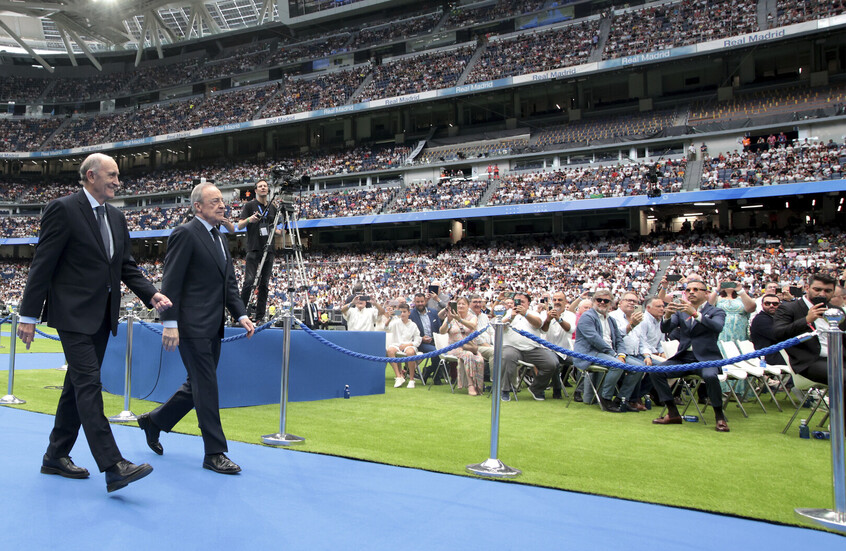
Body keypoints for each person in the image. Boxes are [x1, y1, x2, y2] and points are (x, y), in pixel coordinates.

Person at [17, 153, 171, 492]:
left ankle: (55, 455)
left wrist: (151, 295)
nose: (118, 181)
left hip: (102, 317)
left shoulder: (116, 217)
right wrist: (28, 315)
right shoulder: (63, 209)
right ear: (91, 176)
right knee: (89, 386)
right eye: (113, 175)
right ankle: (114, 465)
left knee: (75, 387)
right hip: (71, 315)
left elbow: (125, 265)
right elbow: (42, 264)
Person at [137, 183, 255, 475]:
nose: (222, 205)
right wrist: (170, 323)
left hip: (213, 326)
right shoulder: (184, 233)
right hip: (190, 327)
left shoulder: (219, 238)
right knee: (206, 386)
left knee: (197, 385)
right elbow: (171, 283)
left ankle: (154, 422)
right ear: (197, 206)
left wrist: (240, 315)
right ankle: (214, 452)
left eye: (222, 201)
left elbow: (228, 284)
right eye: (214, 201)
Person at [650, 279, 730, 432]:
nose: (691, 292)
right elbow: (666, 328)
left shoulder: (716, 311)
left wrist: (694, 314)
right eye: (688, 290)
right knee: (656, 371)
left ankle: (719, 416)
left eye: (695, 289)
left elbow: (717, 327)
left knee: (711, 377)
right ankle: (672, 412)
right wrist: (667, 315)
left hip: (707, 359)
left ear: (706, 294)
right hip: (683, 358)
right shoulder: (681, 312)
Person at [573, 290, 644, 412]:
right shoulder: (587, 317)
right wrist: (615, 355)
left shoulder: (611, 320)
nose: (602, 303)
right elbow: (595, 340)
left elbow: (619, 340)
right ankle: (606, 398)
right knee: (617, 365)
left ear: (611, 303)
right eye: (599, 300)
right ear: (593, 301)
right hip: (591, 354)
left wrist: (621, 354)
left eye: (606, 301)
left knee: (639, 366)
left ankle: (622, 399)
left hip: (610, 354)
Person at [773, 273, 846, 387]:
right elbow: (779, 333)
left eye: (828, 291)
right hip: (809, 362)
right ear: (807, 288)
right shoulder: (789, 308)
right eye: (817, 289)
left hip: (839, 359)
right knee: (842, 376)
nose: (822, 294)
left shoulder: (836, 310)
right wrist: (806, 320)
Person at [500, 292, 559, 401]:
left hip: (532, 349)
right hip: (512, 347)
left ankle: (536, 388)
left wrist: (525, 314)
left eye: (522, 301)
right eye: (516, 301)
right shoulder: (507, 312)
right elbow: (499, 328)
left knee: (551, 364)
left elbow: (538, 324)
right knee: (507, 356)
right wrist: (511, 317)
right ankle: (505, 390)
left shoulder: (534, 313)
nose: (519, 304)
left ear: (528, 303)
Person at [237, 180, 282, 322]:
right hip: (253, 248)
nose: (263, 188)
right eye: (260, 186)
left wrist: (279, 231)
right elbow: (239, 226)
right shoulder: (249, 206)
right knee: (249, 281)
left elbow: (278, 230)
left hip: (268, 250)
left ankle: (260, 316)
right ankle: (240, 314)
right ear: (255, 190)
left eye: (265, 186)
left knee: (264, 284)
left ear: (268, 190)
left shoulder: (273, 207)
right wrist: (250, 219)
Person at [439, 297, 485, 396]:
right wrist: (448, 321)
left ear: (468, 306)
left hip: (469, 347)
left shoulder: (472, 317)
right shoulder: (450, 318)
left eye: (463, 304)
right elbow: (442, 332)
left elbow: (472, 326)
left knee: (479, 358)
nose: (460, 306)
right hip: (454, 348)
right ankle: (470, 385)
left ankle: (479, 385)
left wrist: (459, 319)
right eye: (458, 304)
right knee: (467, 355)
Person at [386, 302, 422, 388]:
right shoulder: (395, 322)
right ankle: (398, 376)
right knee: (390, 351)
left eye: (404, 312)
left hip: (409, 345)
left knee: (410, 353)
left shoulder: (413, 325)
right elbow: (386, 328)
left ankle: (412, 379)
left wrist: (408, 345)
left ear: (409, 313)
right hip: (396, 345)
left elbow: (418, 340)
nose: (402, 314)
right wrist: (390, 317)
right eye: (401, 312)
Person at [410, 292, 442, 383]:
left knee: (445, 350)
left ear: (425, 301)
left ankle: (429, 370)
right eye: (418, 302)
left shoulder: (433, 312)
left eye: (422, 301)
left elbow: (439, 328)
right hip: (420, 343)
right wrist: (421, 338)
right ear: (414, 302)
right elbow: (409, 333)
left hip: (434, 340)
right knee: (436, 352)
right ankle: (436, 377)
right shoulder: (411, 315)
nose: (420, 304)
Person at [749, 293, 784, 366]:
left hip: (779, 354)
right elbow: (779, 336)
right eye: (767, 303)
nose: (771, 305)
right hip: (768, 357)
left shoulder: (776, 318)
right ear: (762, 305)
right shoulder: (760, 319)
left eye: (775, 304)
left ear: (779, 305)